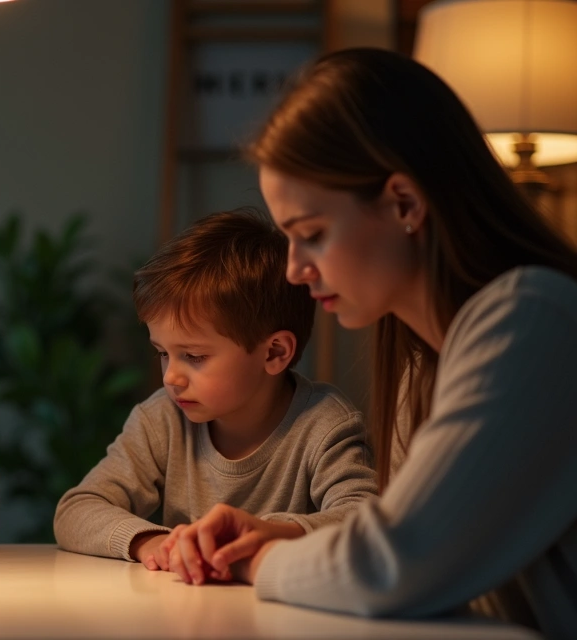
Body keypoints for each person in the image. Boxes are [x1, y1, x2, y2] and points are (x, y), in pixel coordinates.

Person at [164, 48, 577, 638]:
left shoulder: (533, 324)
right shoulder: (423, 367)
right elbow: (405, 535)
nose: (294, 270)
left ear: (404, 203)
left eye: (312, 234)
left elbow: (394, 563)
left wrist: (258, 561)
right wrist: (281, 535)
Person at [53, 210, 378, 569]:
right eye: (163, 353)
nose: (171, 377)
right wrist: (154, 543)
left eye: (194, 356)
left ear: (274, 353)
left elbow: (364, 518)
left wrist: (269, 534)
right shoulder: (162, 419)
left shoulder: (325, 424)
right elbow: (76, 510)